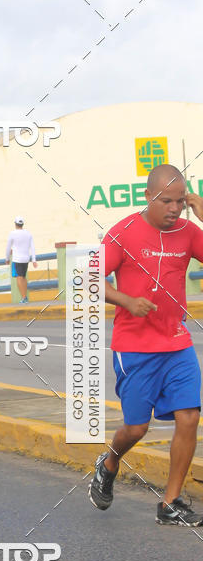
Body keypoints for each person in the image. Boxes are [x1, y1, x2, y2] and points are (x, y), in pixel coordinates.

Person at [89, 164, 203, 526]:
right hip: (135, 346)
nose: (174, 209)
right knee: (137, 428)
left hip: (176, 341)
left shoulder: (188, 232)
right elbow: (89, 278)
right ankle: (110, 462)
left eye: (180, 202)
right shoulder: (123, 232)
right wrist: (125, 300)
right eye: (166, 201)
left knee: (190, 416)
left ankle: (170, 503)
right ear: (148, 196)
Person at [4, 217, 37, 303]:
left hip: (17, 259)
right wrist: (34, 260)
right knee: (23, 277)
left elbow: (8, 248)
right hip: (26, 259)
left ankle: (24, 298)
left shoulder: (12, 234)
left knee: (19, 277)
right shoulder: (28, 234)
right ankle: (25, 297)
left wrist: (7, 258)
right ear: (22, 224)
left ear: (15, 224)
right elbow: (32, 247)